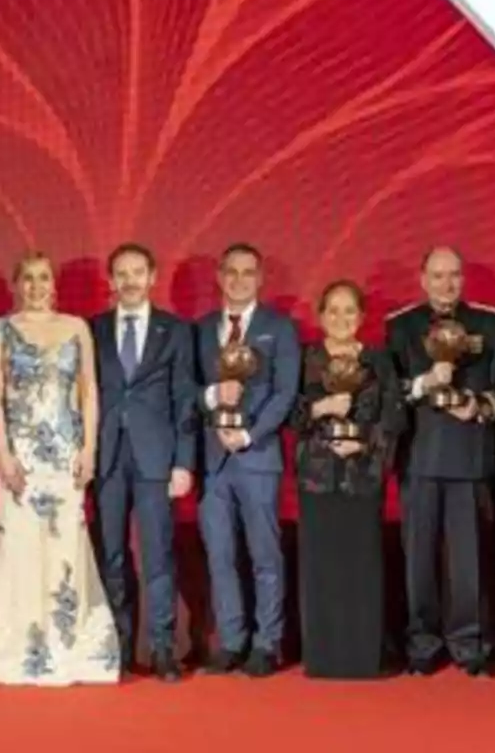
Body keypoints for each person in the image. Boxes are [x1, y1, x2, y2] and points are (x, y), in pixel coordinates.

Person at [0, 252, 120, 686]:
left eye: (43, 278)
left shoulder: (76, 328)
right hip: (21, 458)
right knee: (17, 545)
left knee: (65, 544)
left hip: (64, 456)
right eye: (28, 278)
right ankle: (16, 645)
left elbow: (89, 393)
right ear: (17, 284)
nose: (36, 285)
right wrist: (4, 450)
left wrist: (89, 449)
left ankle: (65, 643)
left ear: (54, 284)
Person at [385, 246, 495, 676]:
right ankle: (422, 645)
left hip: (470, 458)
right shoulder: (401, 327)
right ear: (422, 279)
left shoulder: (491, 324)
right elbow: (390, 394)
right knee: (418, 561)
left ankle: (469, 645)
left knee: (469, 562)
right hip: (420, 458)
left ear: (464, 279)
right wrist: (424, 384)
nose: (447, 285)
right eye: (438, 276)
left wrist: (479, 405)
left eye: (454, 276)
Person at [87, 243, 194, 680]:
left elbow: (185, 399)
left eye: (138, 272)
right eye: (121, 274)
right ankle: (119, 648)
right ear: (110, 282)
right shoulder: (90, 330)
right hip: (107, 457)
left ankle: (164, 647)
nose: (129, 281)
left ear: (153, 277)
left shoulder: (175, 330)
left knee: (158, 556)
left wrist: (183, 463)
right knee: (111, 555)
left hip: (157, 459)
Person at [194, 242, 300, 677]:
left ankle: (267, 641)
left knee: (263, 555)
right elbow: (189, 387)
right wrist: (213, 398)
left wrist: (250, 432)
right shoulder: (200, 329)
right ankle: (232, 640)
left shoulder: (280, 327)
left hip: (257, 456)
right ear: (220, 276)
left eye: (248, 272)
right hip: (213, 460)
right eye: (231, 271)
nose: (239, 279)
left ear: (260, 279)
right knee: (219, 555)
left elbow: (285, 392)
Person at [291, 280, 403, 679]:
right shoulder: (305, 359)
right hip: (317, 478)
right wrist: (321, 407)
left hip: (362, 479)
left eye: (349, 311)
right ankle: (323, 658)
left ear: (362, 317)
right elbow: (290, 415)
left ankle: (361, 657)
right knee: (321, 568)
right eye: (333, 311)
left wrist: (364, 445)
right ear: (321, 316)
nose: (341, 319)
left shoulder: (379, 361)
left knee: (360, 568)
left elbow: (394, 418)